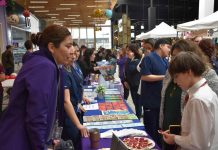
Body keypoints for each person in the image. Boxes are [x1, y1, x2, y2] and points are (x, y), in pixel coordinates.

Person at [0, 25, 73, 150]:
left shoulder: (44, 63)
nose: (72, 51)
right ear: (51, 47)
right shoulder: (44, 66)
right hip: (19, 140)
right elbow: (37, 115)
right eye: (68, 46)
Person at [159, 39, 218, 150]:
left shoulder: (198, 99)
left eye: (177, 77)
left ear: (188, 72)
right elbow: (200, 127)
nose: (175, 82)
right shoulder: (202, 92)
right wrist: (179, 132)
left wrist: (175, 139)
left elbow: (199, 143)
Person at [140, 38, 170, 146]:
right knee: (151, 130)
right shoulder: (149, 58)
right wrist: (165, 77)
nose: (169, 50)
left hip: (160, 101)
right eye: (168, 46)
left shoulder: (165, 60)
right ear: (161, 46)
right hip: (151, 101)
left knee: (159, 130)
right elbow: (144, 76)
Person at [61, 46, 89, 150]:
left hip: (74, 109)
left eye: (75, 53)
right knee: (72, 141)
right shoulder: (63, 71)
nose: (74, 56)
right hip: (67, 115)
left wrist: (78, 102)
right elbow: (66, 100)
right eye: (71, 54)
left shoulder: (71, 67)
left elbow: (77, 87)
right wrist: (78, 125)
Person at [125, 43, 142, 119]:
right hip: (132, 85)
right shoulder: (129, 60)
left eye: (129, 51)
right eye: (127, 50)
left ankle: (138, 117)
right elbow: (126, 71)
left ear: (134, 51)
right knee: (135, 102)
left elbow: (132, 70)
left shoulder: (137, 61)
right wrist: (125, 80)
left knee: (137, 103)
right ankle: (138, 116)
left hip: (137, 85)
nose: (127, 52)